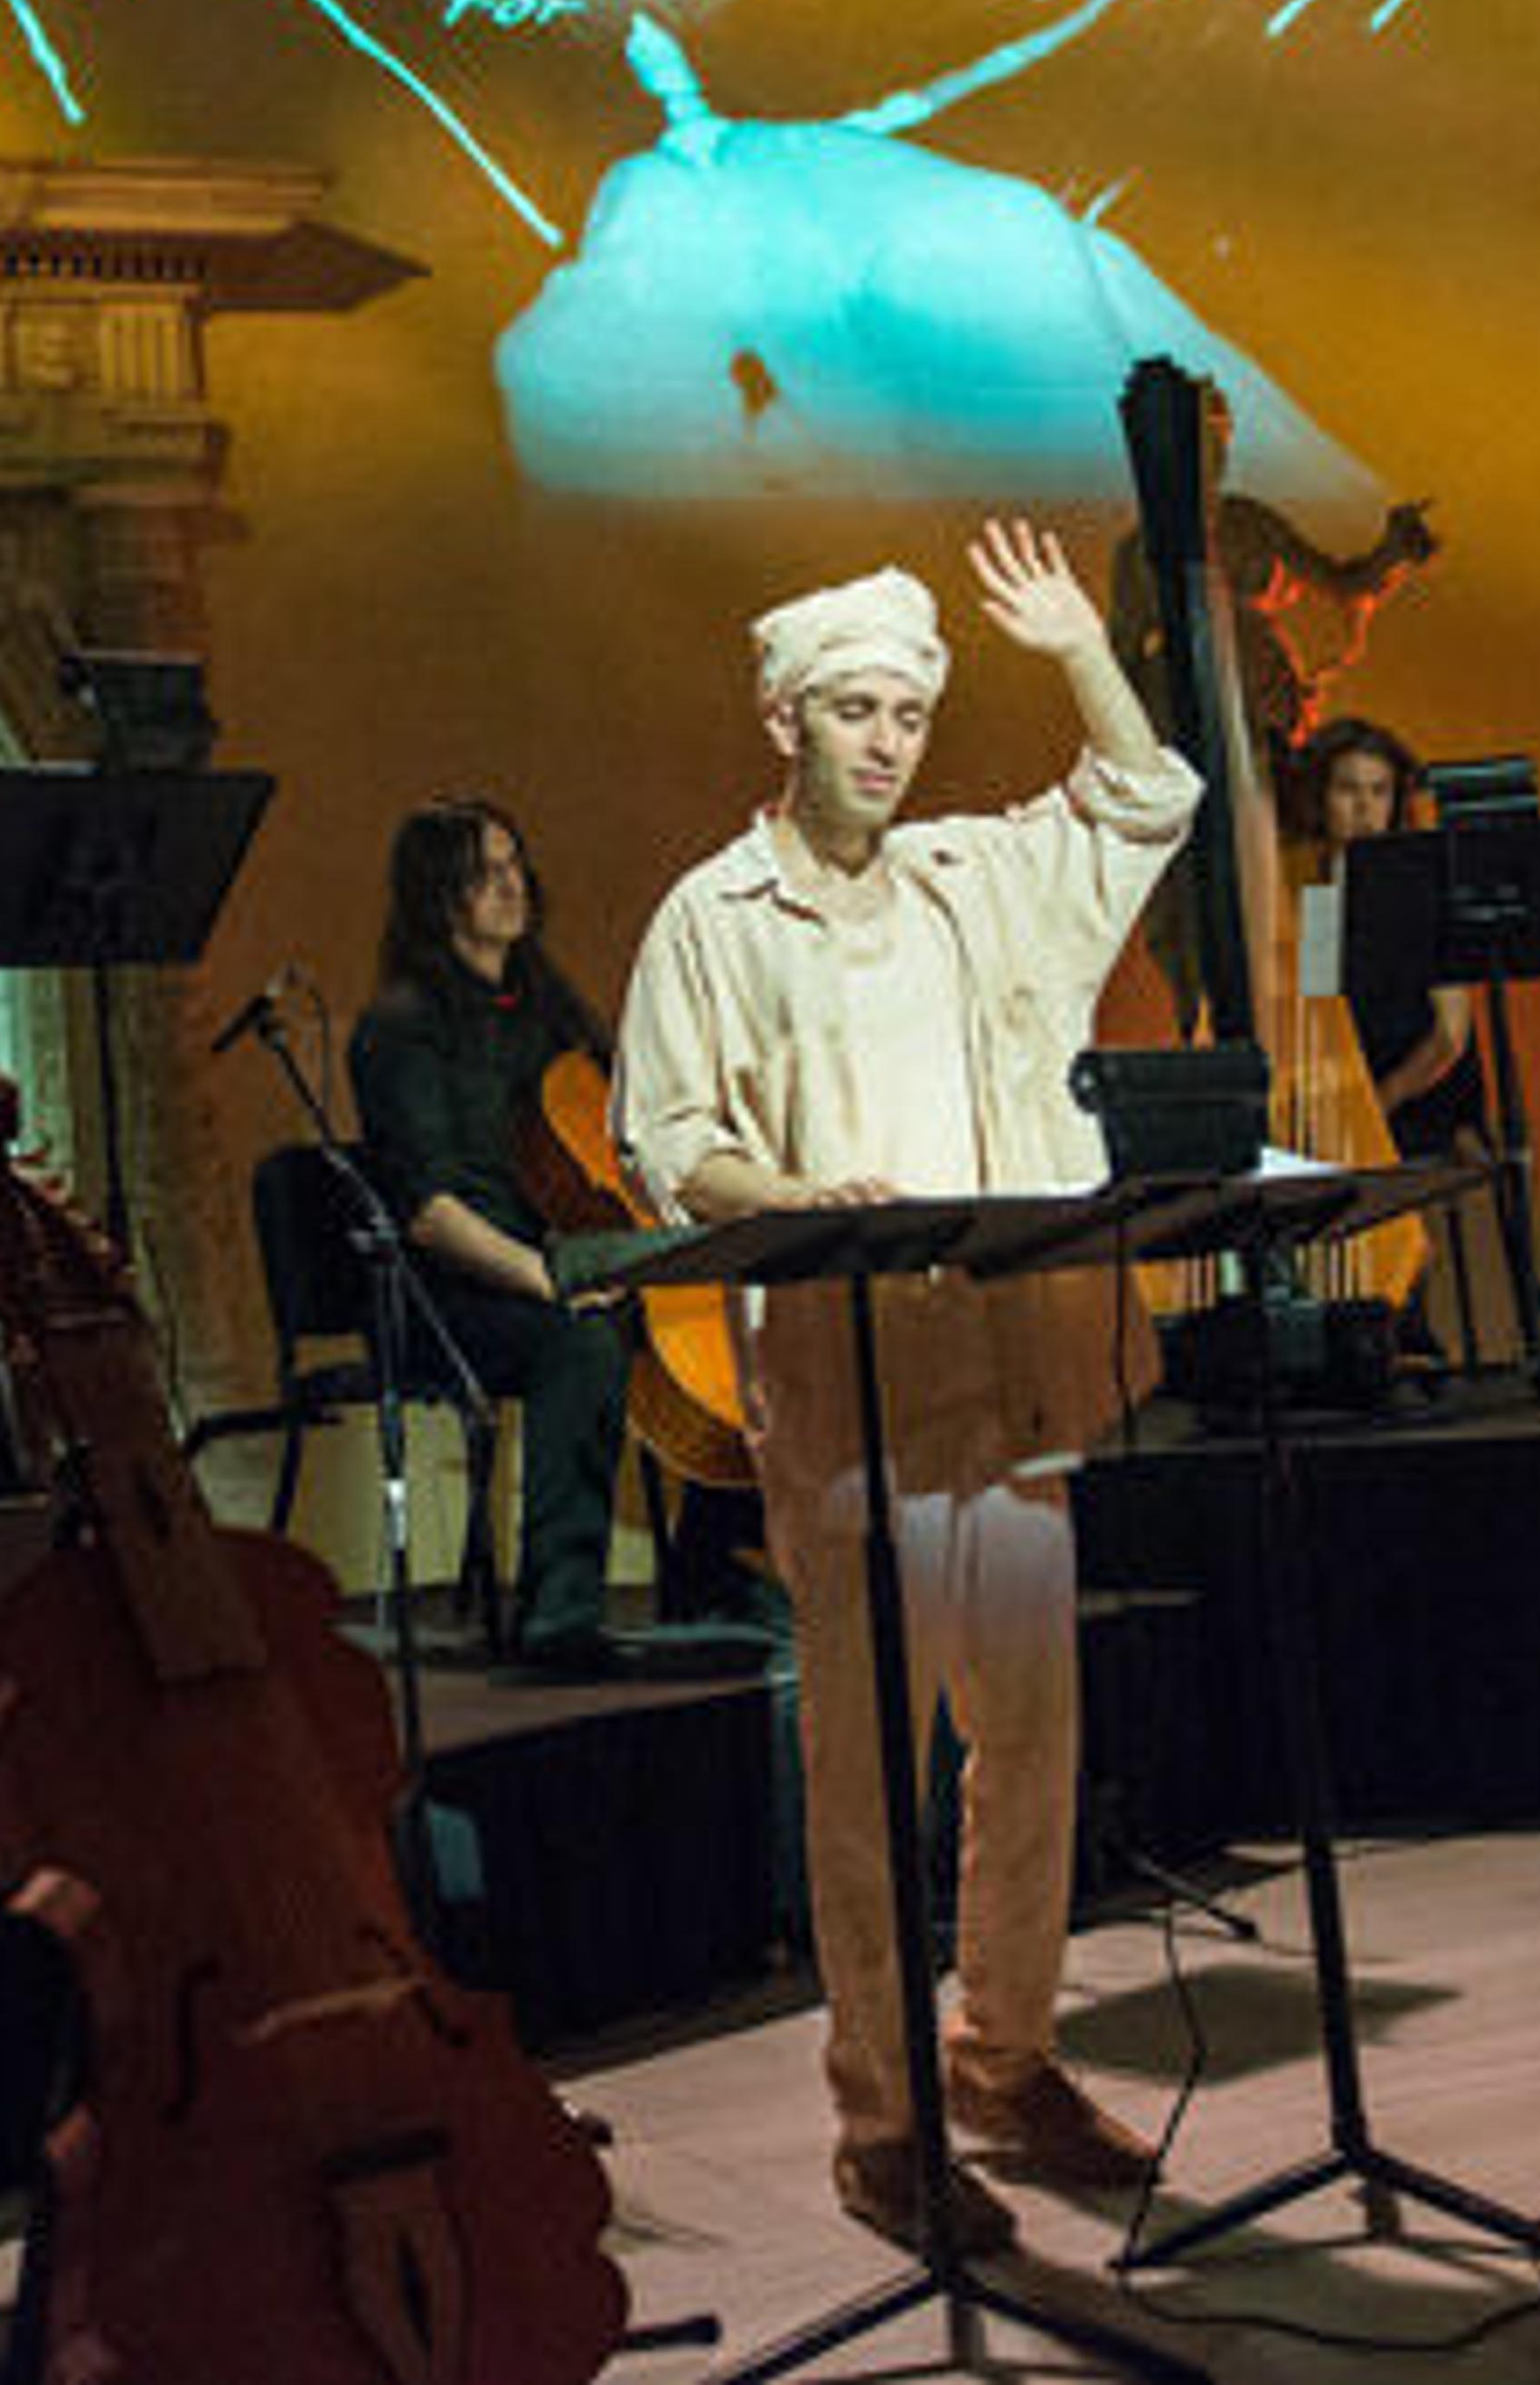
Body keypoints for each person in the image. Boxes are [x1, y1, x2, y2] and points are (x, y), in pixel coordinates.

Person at [614, 525, 1199, 2254]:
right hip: (854, 1376)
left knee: (1031, 1739)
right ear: (786, 718)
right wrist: (792, 1200)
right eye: (854, 708)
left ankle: (1005, 2059)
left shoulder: (974, 873)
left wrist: (1081, 643)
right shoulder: (714, 917)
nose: (886, 739)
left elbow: (1145, 795)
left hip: (1010, 1365)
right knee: (873, 1771)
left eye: (909, 713)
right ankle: (886, 2116)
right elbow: (674, 1140)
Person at [347, 800, 639, 1675]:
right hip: (450, 1292)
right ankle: (560, 1617)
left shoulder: (543, 1006)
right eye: (485, 873)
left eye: (515, 865)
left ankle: (714, 1568)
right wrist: (547, 1280)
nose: (512, 886)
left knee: (715, 1311)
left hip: (552, 1256)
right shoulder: (401, 1025)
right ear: (439, 897)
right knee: (583, 1343)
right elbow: (431, 1213)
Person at [1298, 716, 1484, 1156]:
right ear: (1322, 799)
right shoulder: (1321, 894)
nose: (1364, 808)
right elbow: (1324, 1016)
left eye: (1379, 791)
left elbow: (1450, 1036)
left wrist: (1377, 1104)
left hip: (1426, 1109)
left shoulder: (1423, 890)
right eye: (1347, 789)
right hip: (1360, 1105)